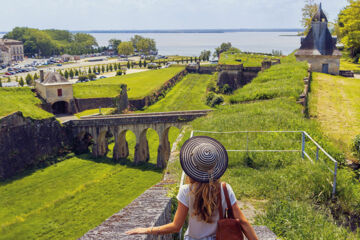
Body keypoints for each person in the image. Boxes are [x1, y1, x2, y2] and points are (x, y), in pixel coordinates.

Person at [126, 136, 258, 240]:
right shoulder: (225, 189)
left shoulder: (186, 191)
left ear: (192, 167)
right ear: (215, 166)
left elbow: (176, 226)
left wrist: (147, 230)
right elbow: (243, 222)